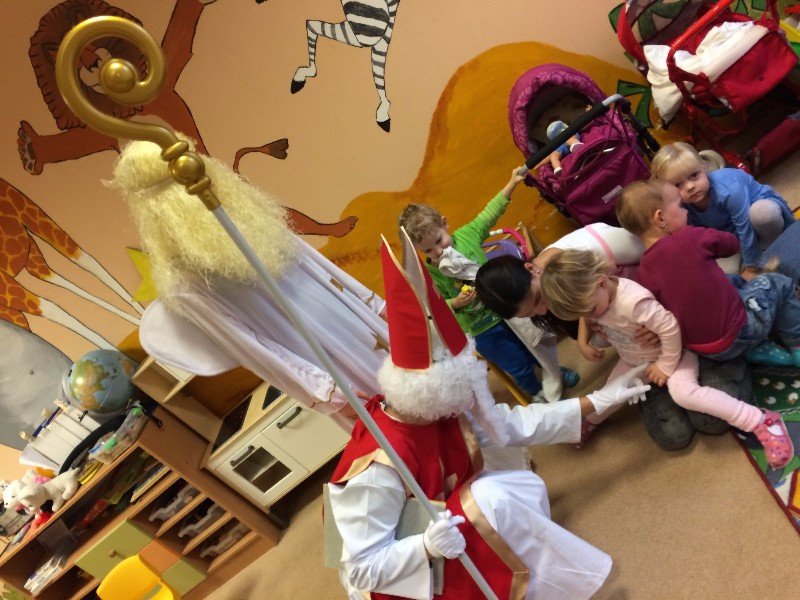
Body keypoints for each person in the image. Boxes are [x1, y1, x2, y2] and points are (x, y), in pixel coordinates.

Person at [328, 229, 651, 599]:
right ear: (437, 391)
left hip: (438, 519)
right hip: (402, 574)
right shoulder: (378, 467)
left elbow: (509, 424)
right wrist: (425, 547)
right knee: (491, 498)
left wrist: (599, 400)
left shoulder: (432, 410)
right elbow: (361, 570)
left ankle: (525, 578)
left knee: (520, 484)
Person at [109, 139, 389, 431]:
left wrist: (377, 307)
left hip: (360, 323)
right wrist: (327, 391)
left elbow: (317, 266)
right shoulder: (186, 284)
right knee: (397, 427)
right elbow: (253, 348)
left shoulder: (248, 219)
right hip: (326, 362)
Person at [539, 248, 794, 468]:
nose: (590, 316)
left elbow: (670, 329)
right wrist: (590, 336)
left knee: (683, 393)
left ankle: (760, 421)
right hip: (634, 357)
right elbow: (598, 318)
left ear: (602, 283)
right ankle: (589, 422)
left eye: (591, 310)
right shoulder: (595, 299)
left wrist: (665, 365)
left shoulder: (632, 302)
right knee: (610, 392)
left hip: (673, 353)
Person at [616, 180, 800, 466]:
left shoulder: (643, 274)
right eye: (680, 206)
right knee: (777, 283)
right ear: (661, 219)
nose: (686, 211)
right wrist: (701, 237)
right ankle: (796, 345)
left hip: (707, 351)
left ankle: (756, 351)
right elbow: (731, 244)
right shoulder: (691, 237)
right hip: (742, 329)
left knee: (727, 282)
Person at [398, 171, 578, 403]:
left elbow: (489, 213)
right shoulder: (431, 271)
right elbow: (436, 306)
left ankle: (555, 373)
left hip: (509, 309)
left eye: (439, 240)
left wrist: (511, 183)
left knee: (536, 345)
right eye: (428, 250)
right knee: (517, 364)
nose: (439, 251)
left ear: (444, 223)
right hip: (483, 330)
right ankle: (537, 393)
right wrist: (456, 303)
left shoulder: (467, 235)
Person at [650, 142, 795, 280]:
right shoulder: (682, 205)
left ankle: (771, 247)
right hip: (731, 233)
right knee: (723, 274)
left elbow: (745, 228)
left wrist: (751, 267)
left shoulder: (728, 188)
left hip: (758, 217)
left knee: (763, 214)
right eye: (678, 185)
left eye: (694, 175)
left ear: (703, 167)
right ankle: (756, 254)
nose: (690, 187)